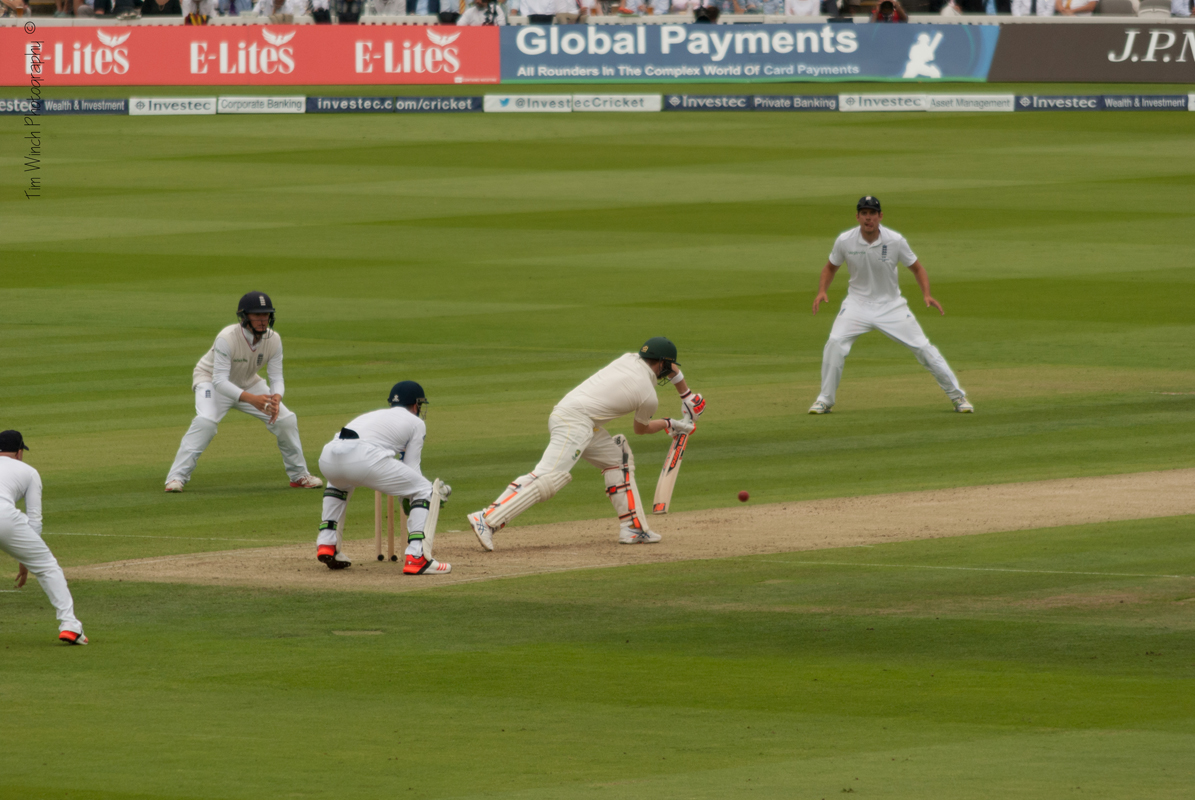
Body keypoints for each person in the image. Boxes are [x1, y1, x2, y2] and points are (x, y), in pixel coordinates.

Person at [467, 338, 705, 550]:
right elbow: (640, 429)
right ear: (662, 363)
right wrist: (670, 423)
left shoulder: (629, 358)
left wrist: (687, 395)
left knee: (617, 460)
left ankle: (633, 529)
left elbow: (670, 367)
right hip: (576, 422)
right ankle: (487, 519)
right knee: (548, 476)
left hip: (579, 420)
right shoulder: (648, 396)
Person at [809, 197, 972, 415]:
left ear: (880, 216)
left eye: (872, 213)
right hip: (857, 304)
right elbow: (830, 267)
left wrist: (927, 294)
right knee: (835, 343)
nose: (868, 218)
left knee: (923, 348)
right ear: (857, 217)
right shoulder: (845, 240)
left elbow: (917, 268)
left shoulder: (895, 240)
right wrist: (822, 290)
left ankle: (958, 397)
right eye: (864, 213)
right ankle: (824, 400)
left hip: (891, 306)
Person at [165, 292, 322, 493]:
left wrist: (276, 397)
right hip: (211, 382)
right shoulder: (227, 337)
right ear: (244, 316)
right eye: (257, 315)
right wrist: (252, 400)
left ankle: (299, 475)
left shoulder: (274, 339)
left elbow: (276, 377)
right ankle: (176, 478)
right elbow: (220, 381)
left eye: (266, 315)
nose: (262, 320)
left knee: (286, 420)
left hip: (248, 383)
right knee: (206, 423)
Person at [316, 382, 451, 575]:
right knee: (423, 489)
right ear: (415, 405)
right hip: (364, 457)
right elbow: (411, 468)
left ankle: (326, 542)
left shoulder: (374, 415)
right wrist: (430, 496)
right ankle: (416, 556)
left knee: (339, 482)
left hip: (328, 457)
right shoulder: (416, 423)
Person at [0, 431, 88, 646]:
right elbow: (35, 520)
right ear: (19, 452)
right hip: (4, 517)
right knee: (47, 567)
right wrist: (26, 560)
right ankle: (70, 625)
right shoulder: (29, 472)